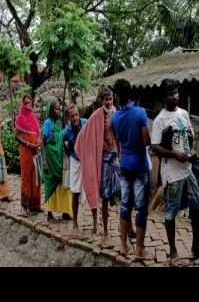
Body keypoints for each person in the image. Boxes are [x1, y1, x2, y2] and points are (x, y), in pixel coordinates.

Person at [151, 78, 199, 267]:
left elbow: (192, 136)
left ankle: (196, 246)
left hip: (187, 170)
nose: (175, 97)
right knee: (171, 212)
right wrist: (173, 153)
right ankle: (173, 252)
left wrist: (193, 151)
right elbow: (154, 147)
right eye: (171, 94)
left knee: (198, 207)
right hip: (172, 173)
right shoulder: (160, 120)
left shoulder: (184, 114)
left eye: (176, 93)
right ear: (164, 97)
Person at [108, 79, 153, 260]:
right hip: (141, 167)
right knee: (141, 209)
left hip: (124, 165)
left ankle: (123, 246)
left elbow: (116, 138)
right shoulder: (140, 113)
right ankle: (139, 250)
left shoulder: (114, 117)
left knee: (125, 205)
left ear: (117, 96)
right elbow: (146, 141)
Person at [75, 86, 121, 248]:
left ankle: (124, 228)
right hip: (103, 159)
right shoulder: (96, 116)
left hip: (115, 157)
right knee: (105, 197)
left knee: (119, 193)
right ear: (101, 100)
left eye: (111, 98)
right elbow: (82, 136)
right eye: (106, 99)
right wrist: (90, 154)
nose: (109, 101)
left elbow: (119, 136)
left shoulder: (116, 112)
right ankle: (106, 233)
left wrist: (120, 153)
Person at [42, 100, 72, 221]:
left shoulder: (60, 122)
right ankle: (49, 213)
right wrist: (45, 162)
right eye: (56, 109)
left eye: (59, 109)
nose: (58, 111)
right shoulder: (47, 123)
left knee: (63, 183)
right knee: (50, 184)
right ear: (50, 110)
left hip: (59, 156)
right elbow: (42, 143)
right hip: (50, 157)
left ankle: (65, 211)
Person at [62, 103, 88, 238]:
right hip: (75, 160)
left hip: (87, 159)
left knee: (92, 189)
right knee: (75, 191)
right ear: (68, 116)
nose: (75, 118)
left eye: (76, 114)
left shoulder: (86, 123)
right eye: (72, 116)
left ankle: (96, 223)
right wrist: (72, 154)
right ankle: (75, 225)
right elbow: (64, 147)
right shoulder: (66, 132)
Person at [15, 94, 42, 217]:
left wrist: (38, 144)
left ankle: (35, 205)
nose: (27, 105)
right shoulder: (20, 118)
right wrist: (28, 144)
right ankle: (24, 207)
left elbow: (37, 133)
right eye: (25, 103)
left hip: (35, 150)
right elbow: (17, 136)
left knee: (36, 176)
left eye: (29, 103)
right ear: (22, 104)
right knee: (26, 177)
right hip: (26, 151)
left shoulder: (34, 117)